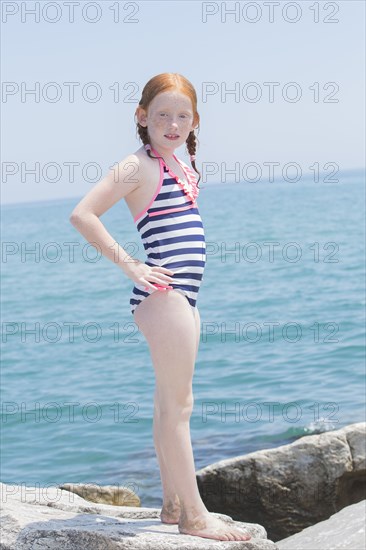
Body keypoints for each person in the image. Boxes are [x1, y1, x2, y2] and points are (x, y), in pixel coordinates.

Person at [69, 73, 251, 542]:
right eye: (163, 114)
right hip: (163, 295)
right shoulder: (137, 165)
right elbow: (83, 214)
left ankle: (172, 503)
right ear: (142, 117)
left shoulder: (181, 161)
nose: (173, 123)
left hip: (184, 295)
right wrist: (132, 266)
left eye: (183, 116)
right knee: (178, 408)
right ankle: (195, 515)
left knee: (168, 403)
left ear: (194, 122)